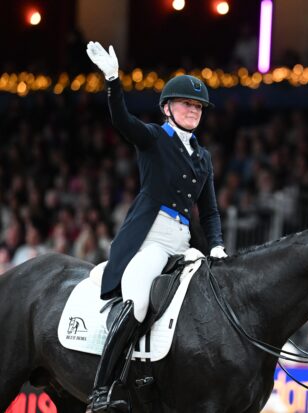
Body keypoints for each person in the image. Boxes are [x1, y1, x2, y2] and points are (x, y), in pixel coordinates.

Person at [85, 41, 227, 412]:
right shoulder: (153, 137)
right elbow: (122, 121)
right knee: (137, 302)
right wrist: (114, 81)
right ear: (167, 108)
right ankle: (102, 390)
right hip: (151, 241)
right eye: (187, 104)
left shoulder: (203, 157)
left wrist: (215, 245)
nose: (194, 110)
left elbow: (209, 211)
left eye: (198, 106)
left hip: (185, 243)